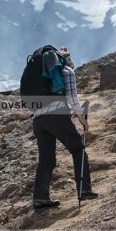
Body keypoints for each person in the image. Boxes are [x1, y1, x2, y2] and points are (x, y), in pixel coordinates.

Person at [31, 47, 98, 209]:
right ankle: (84, 189)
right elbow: (72, 97)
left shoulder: (40, 73)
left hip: (38, 119)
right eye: (69, 57)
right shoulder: (66, 71)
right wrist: (81, 117)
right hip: (57, 115)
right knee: (78, 150)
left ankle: (40, 198)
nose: (71, 60)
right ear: (63, 58)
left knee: (46, 159)